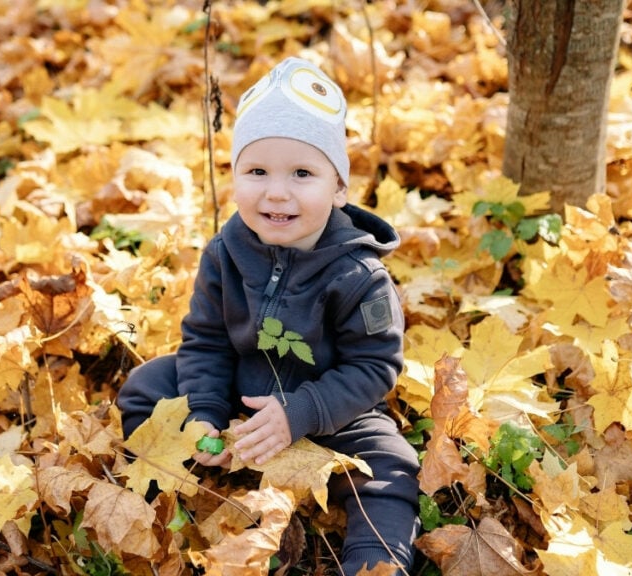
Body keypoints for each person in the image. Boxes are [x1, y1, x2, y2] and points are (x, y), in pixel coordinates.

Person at [116, 56, 420, 575]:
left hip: (328, 408)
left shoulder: (358, 275)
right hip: (241, 389)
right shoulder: (225, 252)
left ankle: (375, 563)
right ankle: (169, 485)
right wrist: (206, 411)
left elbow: (374, 367)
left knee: (390, 462)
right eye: (257, 172)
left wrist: (301, 412)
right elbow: (206, 340)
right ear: (234, 176)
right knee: (147, 385)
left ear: (339, 187)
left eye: (302, 173)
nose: (276, 191)